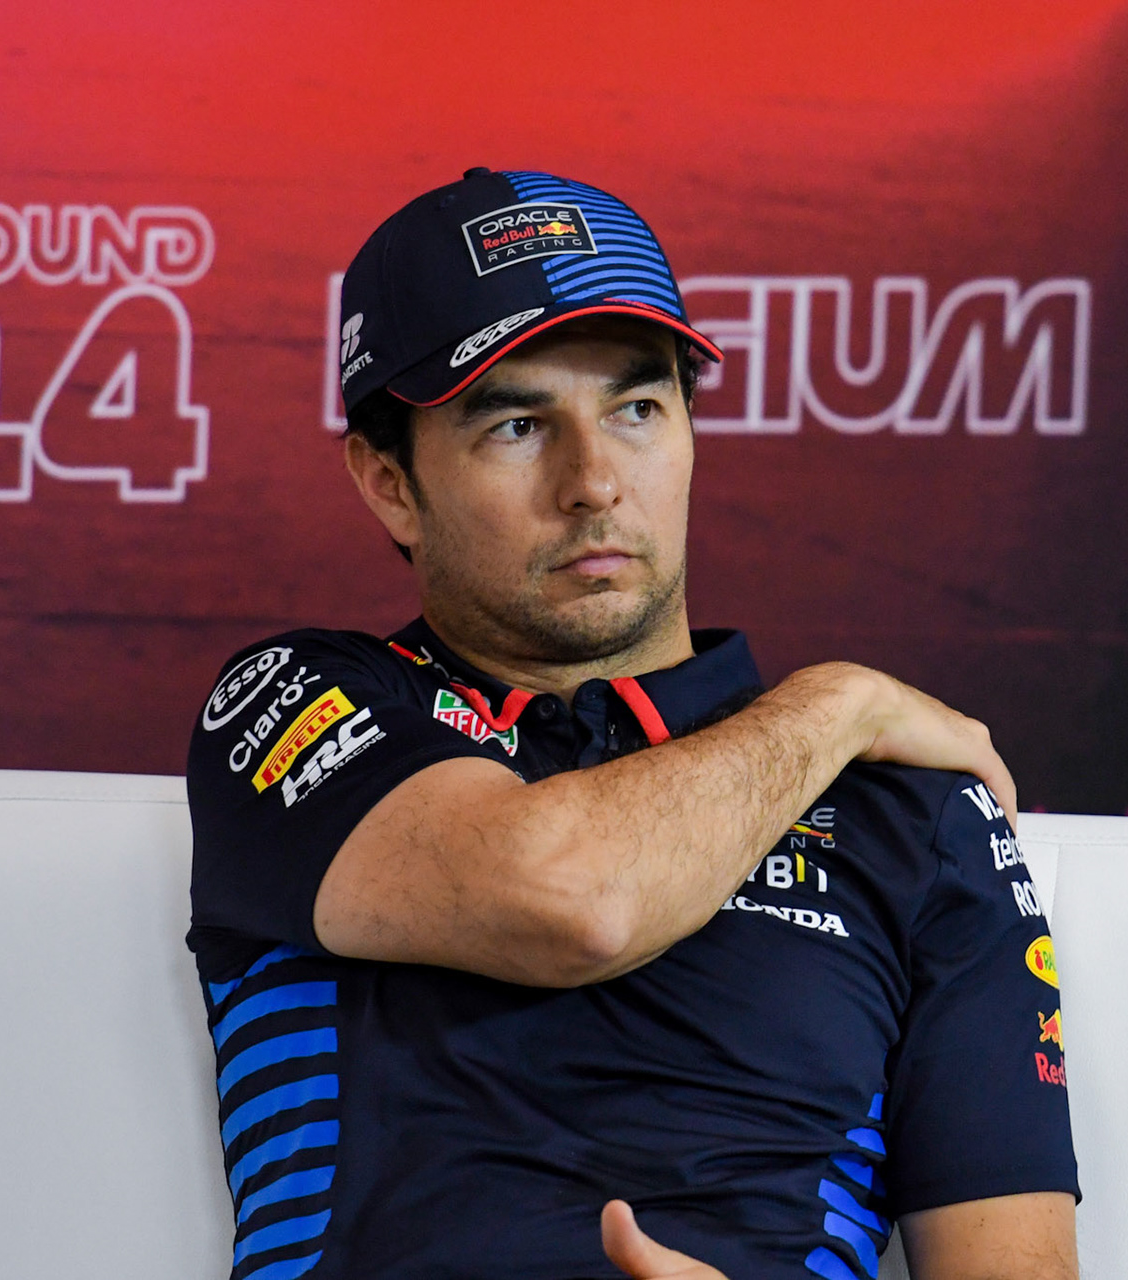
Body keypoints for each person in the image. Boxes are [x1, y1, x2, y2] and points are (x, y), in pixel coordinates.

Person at [186, 168, 1077, 1280]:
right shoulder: (295, 702)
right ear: (389, 482)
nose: (595, 481)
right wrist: (835, 702)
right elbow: (570, 899)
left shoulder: (906, 805)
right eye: (517, 423)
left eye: (636, 408)